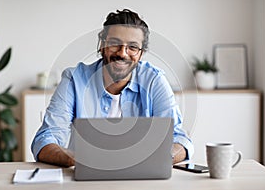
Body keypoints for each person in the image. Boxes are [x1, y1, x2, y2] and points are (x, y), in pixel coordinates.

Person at [31, 9, 194, 167]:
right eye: (115, 44)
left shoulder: (154, 80)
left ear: (141, 53)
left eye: (132, 47)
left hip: (142, 184)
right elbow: (46, 138)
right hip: (86, 184)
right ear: (102, 45)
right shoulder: (74, 80)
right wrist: (74, 159)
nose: (123, 53)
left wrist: (158, 159)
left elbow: (179, 139)